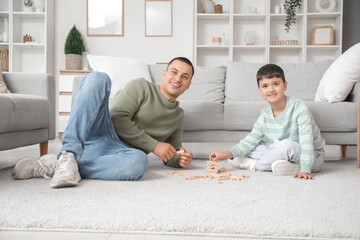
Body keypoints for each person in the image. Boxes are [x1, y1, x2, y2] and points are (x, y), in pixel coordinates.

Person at [12, 57, 195, 187]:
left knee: (140, 163)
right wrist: (154, 145)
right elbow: (116, 117)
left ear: (188, 85)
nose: (178, 78)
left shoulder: (178, 116)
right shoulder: (142, 86)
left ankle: (58, 166)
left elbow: (171, 153)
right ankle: (68, 153)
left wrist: (180, 160)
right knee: (99, 77)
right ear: (164, 74)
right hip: (101, 131)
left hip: (121, 155)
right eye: (174, 72)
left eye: (185, 77)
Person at [209, 64, 325, 180]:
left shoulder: (299, 107)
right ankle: (287, 165)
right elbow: (249, 141)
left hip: (312, 155)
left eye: (276, 84)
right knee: (253, 147)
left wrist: (305, 169)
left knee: (285, 146)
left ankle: (254, 165)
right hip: (281, 150)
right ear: (260, 91)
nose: (271, 90)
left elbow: (306, 142)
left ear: (284, 85)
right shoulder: (265, 115)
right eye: (265, 86)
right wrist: (225, 154)